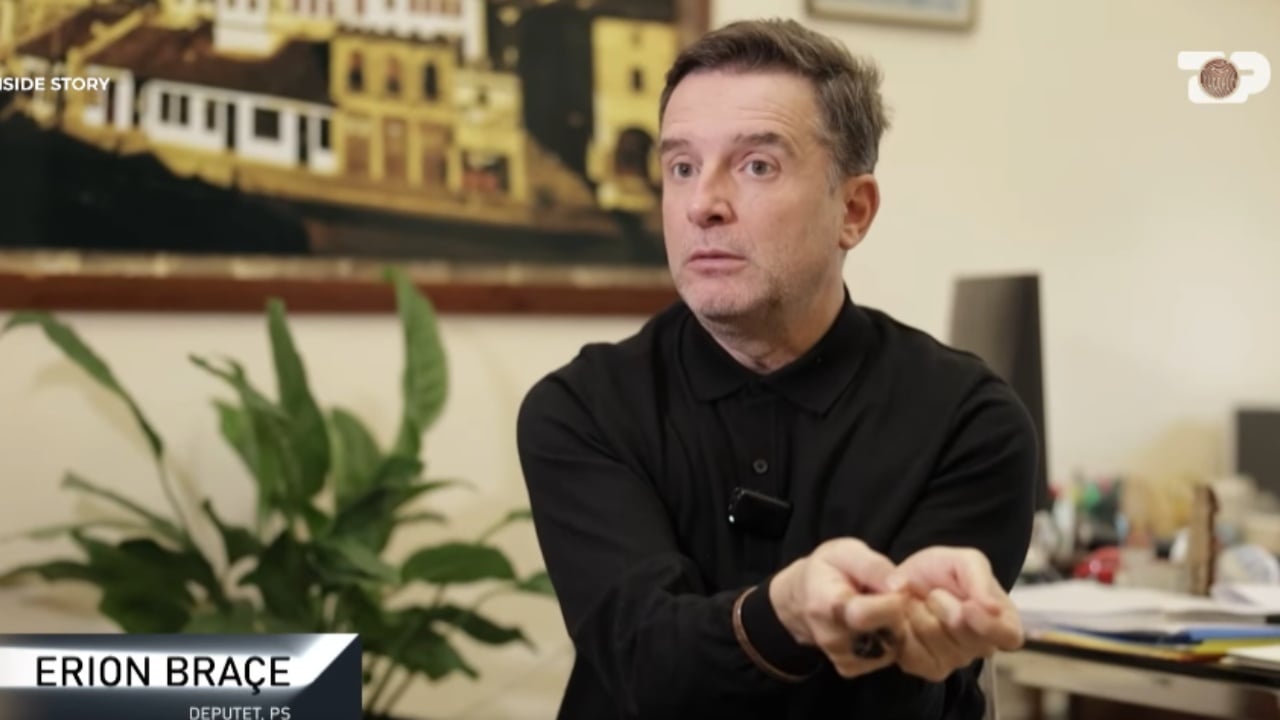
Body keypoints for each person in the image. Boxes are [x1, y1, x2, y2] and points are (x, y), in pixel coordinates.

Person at [516, 17, 1037, 720]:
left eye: (757, 165)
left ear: (853, 210)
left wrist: (905, 622)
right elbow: (646, 662)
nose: (703, 205)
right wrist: (786, 612)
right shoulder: (583, 408)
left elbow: (892, 692)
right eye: (681, 167)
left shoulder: (969, 421)